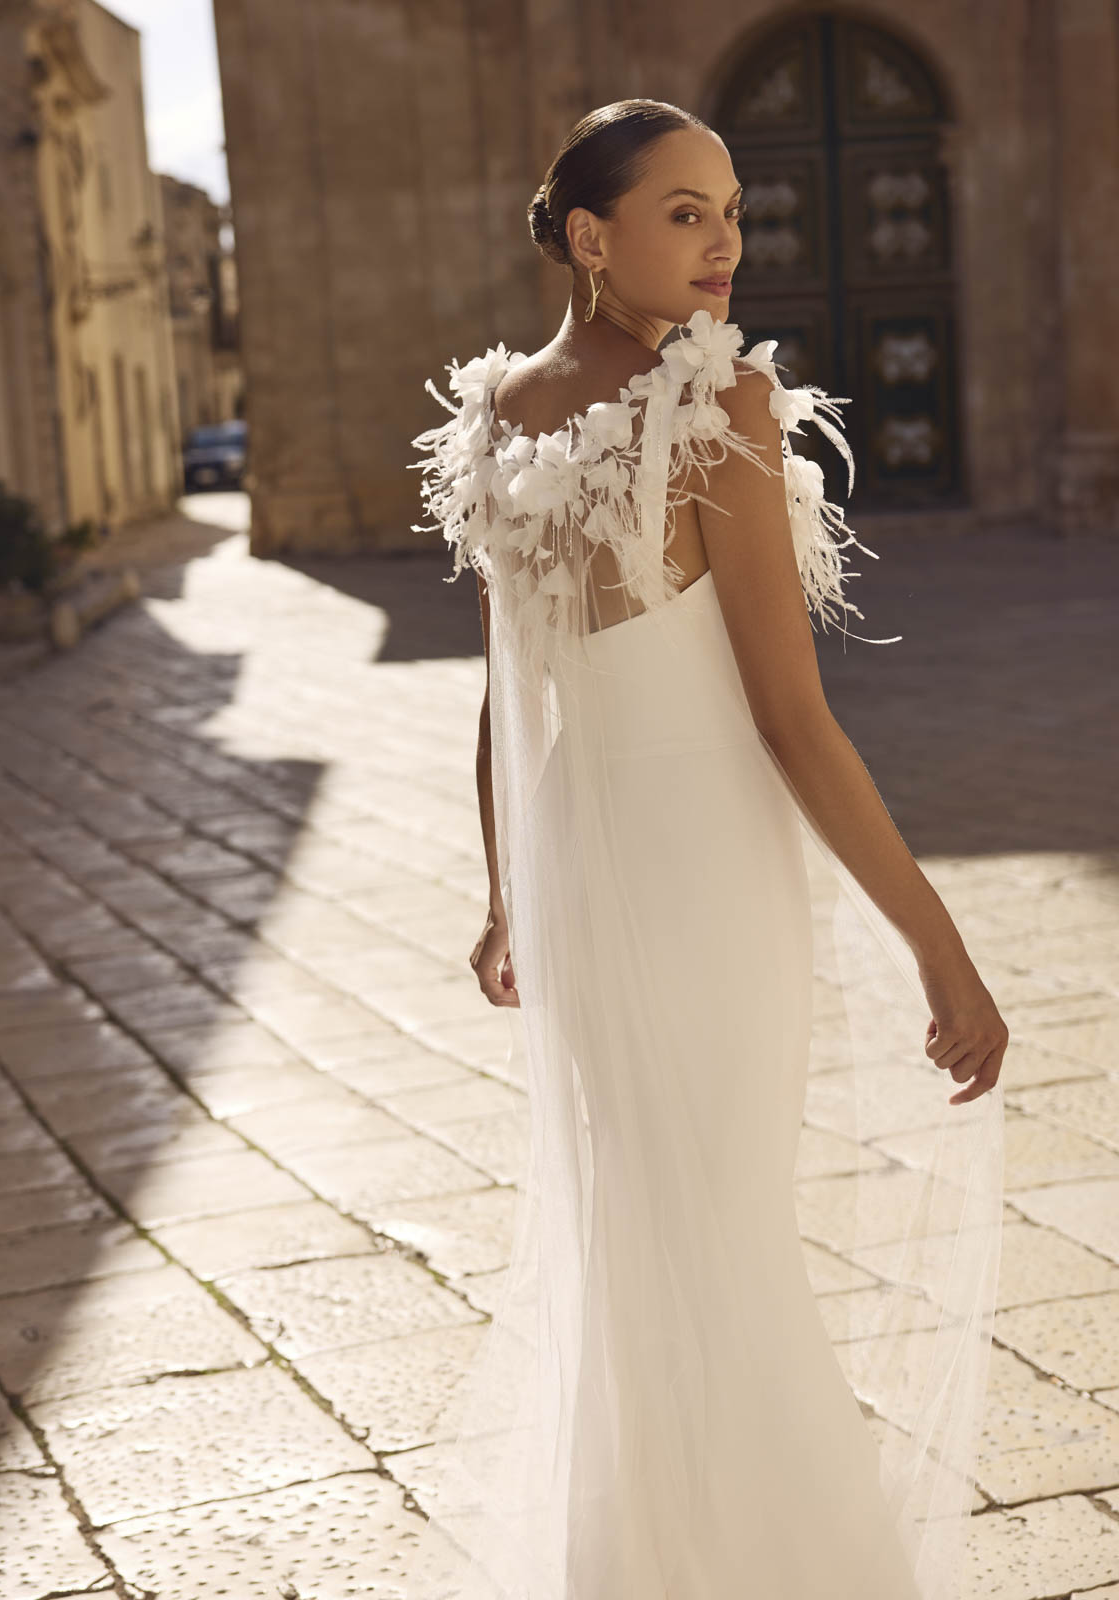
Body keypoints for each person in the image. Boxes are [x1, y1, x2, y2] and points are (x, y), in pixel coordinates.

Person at [407, 98, 1006, 1600]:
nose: (728, 241)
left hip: (581, 856)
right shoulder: (720, 401)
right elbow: (793, 724)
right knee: (722, 1232)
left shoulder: (500, 410)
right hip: (703, 867)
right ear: (590, 235)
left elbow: (505, 691)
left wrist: (508, 895)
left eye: (732, 210)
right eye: (686, 212)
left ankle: (647, 1562)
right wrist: (939, 948)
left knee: (646, 1225)